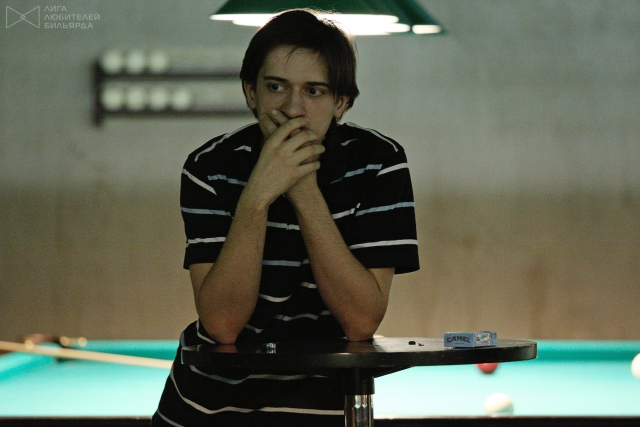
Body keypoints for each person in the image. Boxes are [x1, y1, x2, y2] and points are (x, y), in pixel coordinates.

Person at [152, 8, 419, 427]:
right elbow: (222, 325)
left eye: (314, 91)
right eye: (276, 87)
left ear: (341, 102)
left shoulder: (379, 164)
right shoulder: (209, 167)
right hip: (204, 409)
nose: (293, 108)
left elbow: (361, 321)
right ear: (250, 93)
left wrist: (302, 188)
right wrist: (258, 194)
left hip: (319, 405)